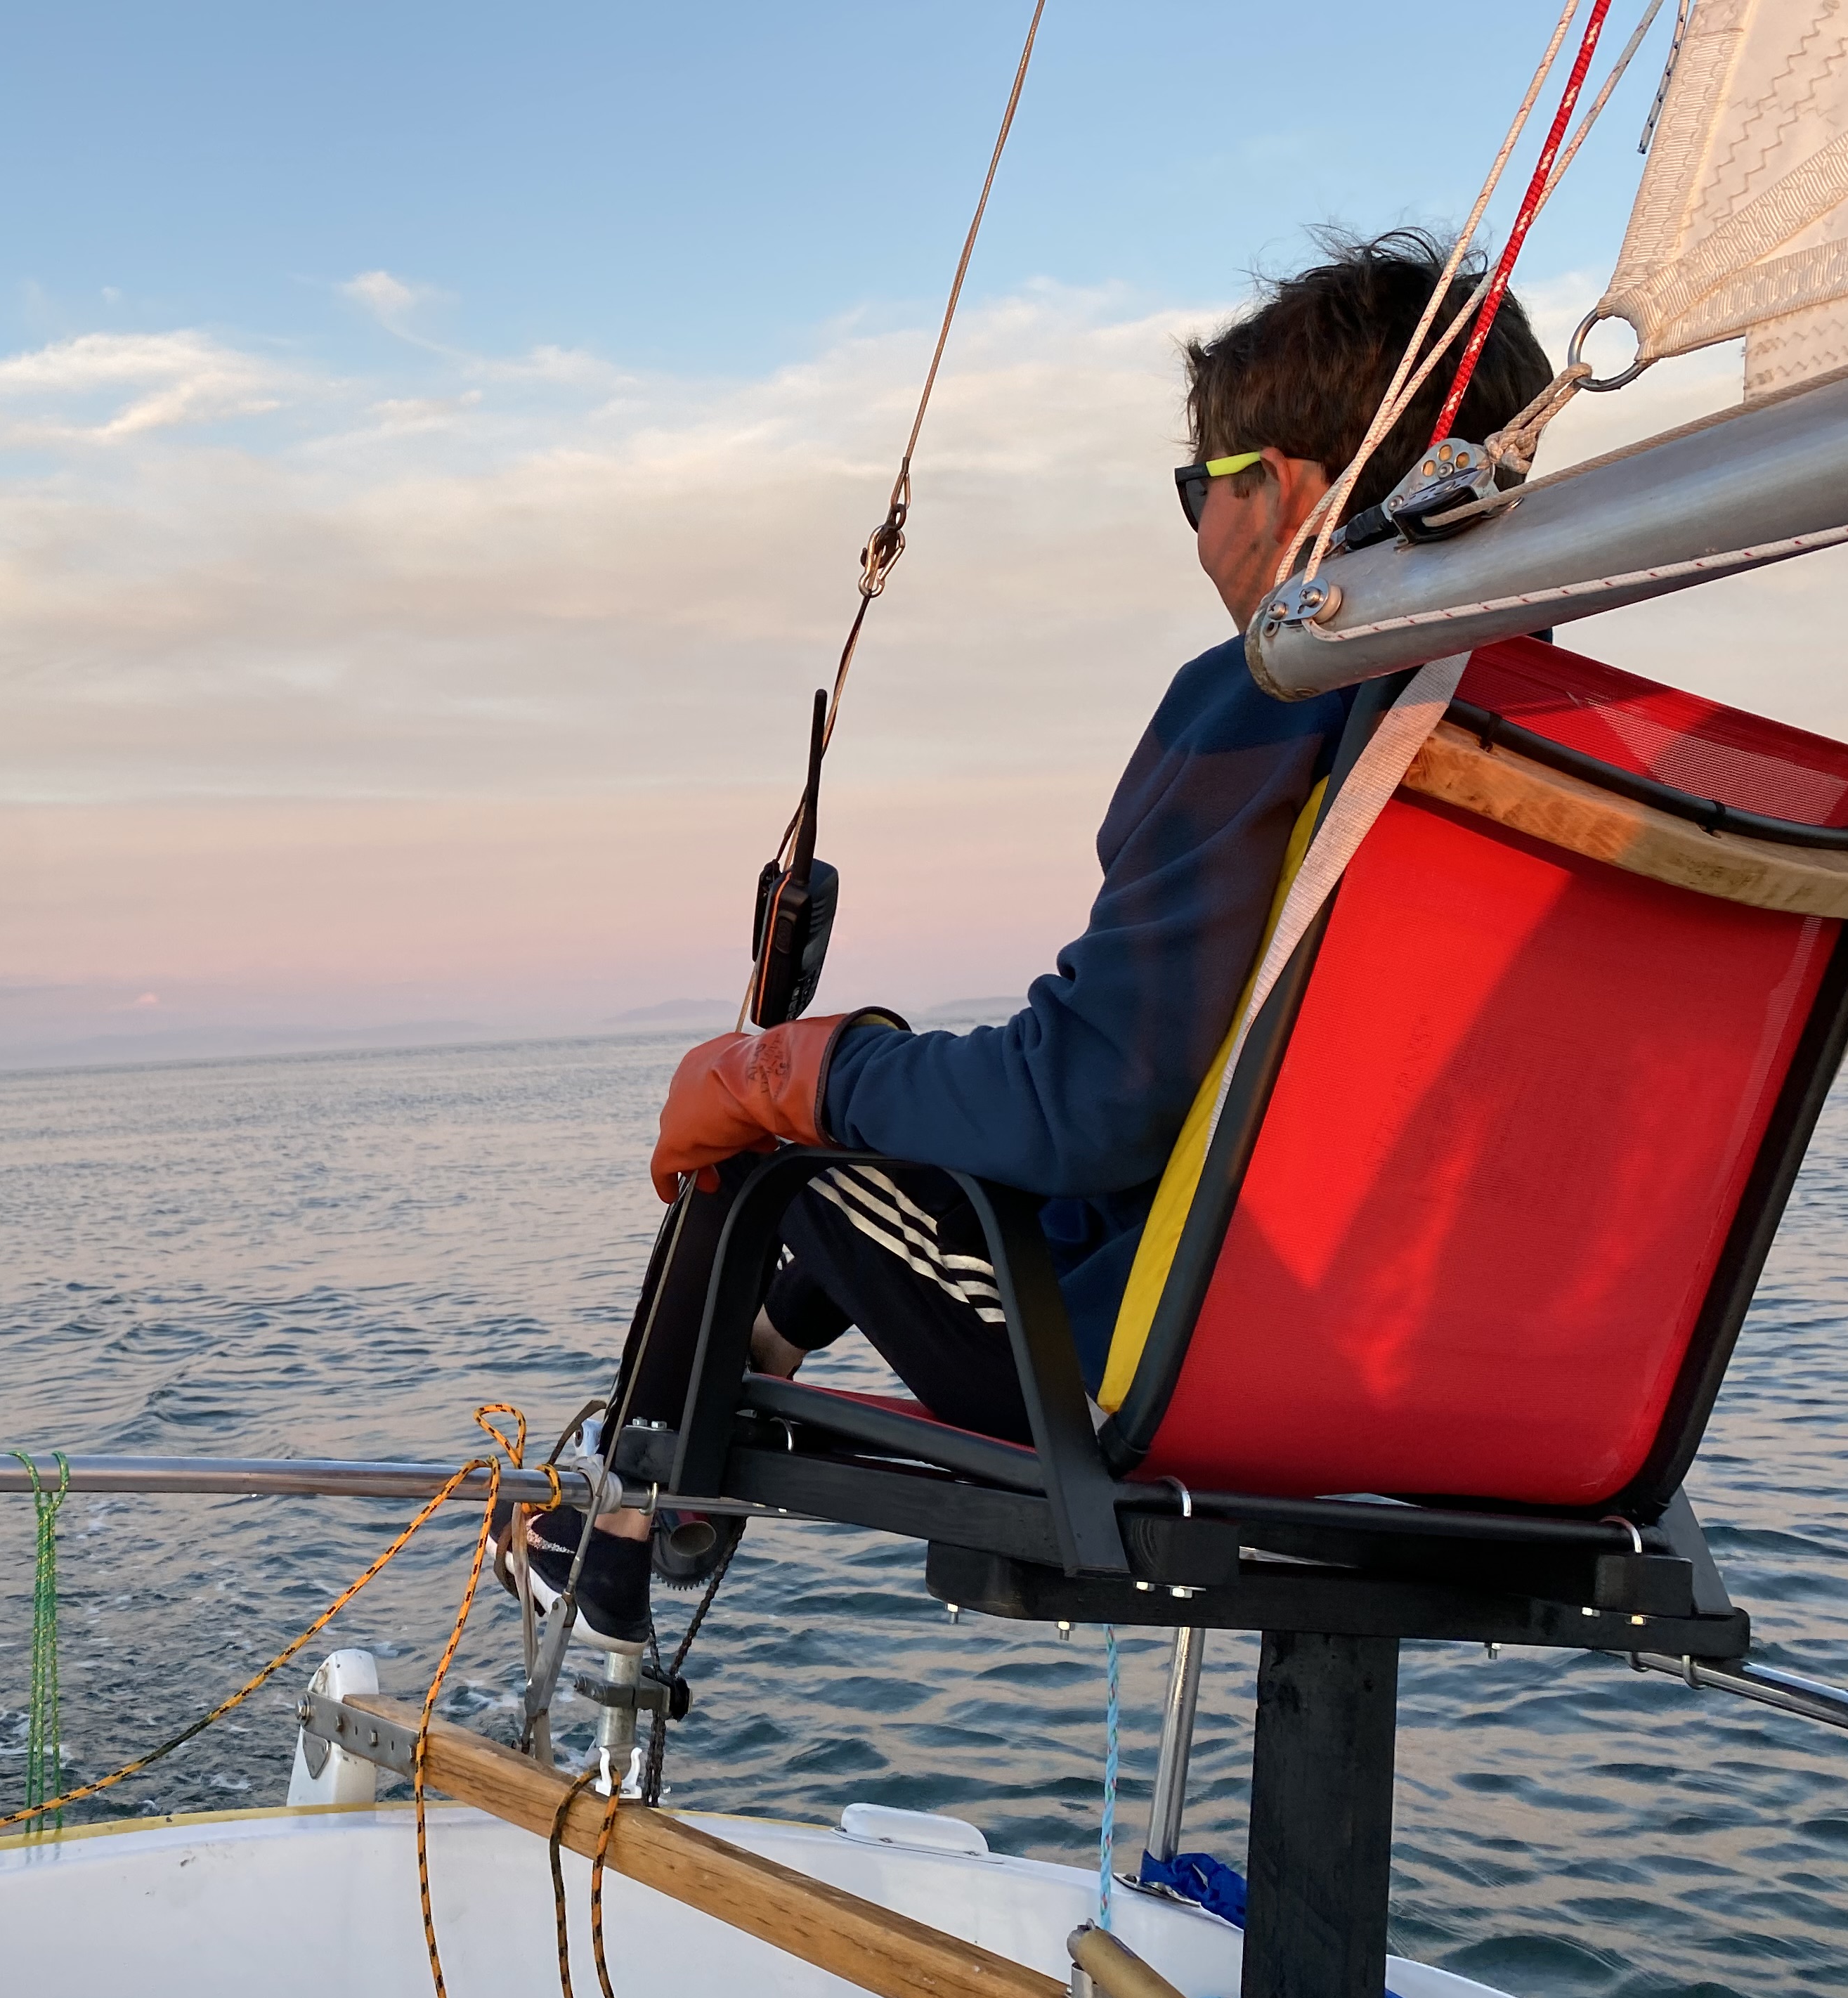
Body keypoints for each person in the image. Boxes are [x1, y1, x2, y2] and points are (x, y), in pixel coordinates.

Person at [499, 229, 1557, 1647]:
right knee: (885, 1130)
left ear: (1284, 490)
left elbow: (1087, 1102)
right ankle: (725, 1391)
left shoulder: (1272, 694)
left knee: (768, 1126)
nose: (1197, 531)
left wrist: (794, 1070)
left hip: (1163, 1361)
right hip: (1474, 1382)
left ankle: (625, 1530)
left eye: (1200, 489)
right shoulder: (1551, 743)